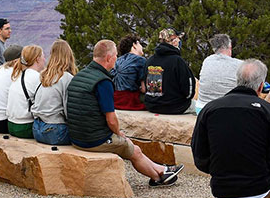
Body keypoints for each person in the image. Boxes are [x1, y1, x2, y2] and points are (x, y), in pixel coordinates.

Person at [66, 40, 183, 187]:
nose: (117, 59)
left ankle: (162, 170)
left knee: (132, 146)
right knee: (133, 150)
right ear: (109, 58)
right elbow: (111, 119)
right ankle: (159, 177)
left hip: (76, 136)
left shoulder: (81, 75)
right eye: (115, 55)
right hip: (93, 140)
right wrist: (118, 133)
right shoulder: (103, 82)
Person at [191, 59, 270, 198]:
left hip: (221, 192)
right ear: (261, 86)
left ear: (237, 81)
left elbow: (199, 155)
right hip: (259, 191)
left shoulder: (210, 109)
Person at [31, 40, 77, 145]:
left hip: (37, 129)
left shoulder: (43, 76)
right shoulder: (67, 78)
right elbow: (68, 110)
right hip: (56, 132)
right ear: (69, 55)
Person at [144, 28, 196, 114]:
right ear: (174, 41)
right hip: (174, 107)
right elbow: (188, 88)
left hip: (152, 105)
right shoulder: (177, 61)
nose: (179, 41)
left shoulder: (150, 60)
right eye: (178, 38)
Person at [196, 34, 243, 114]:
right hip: (226, 110)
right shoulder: (239, 64)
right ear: (230, 47)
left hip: (201, 109)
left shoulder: (207, 61)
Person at [6, 45, 45, 138]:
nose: (45, 59)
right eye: (43, 56)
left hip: (11, 125)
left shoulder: (18, 76)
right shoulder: (37, 78)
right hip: (25, 127)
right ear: (37, 59)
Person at [112, 34, 147, 110]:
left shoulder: (117, 61)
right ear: (134, 45)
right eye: (140, 44)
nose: (142, 47)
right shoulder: (140, 60)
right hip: (130, 100)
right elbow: (144, 89)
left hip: (115, 100)